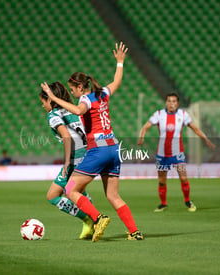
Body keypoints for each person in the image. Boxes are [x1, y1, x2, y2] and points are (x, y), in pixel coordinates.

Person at [41, 42, 143, 242]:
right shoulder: (102, 93)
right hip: (114, 148)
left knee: (70, 189)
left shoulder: (86, 100)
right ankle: (134, 232)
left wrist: (53, 97)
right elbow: (117, 82)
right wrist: (120, 63)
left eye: (72, 90)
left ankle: (98, 218)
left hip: (98, 151)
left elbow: (79, 111)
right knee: (113, 196)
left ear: (80, 87)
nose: (72, 93)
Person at [138, 92, 216, 212]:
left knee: (183, 178)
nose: (171, 104)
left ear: (178, 103)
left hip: (177, 153)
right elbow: (145, 127)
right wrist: (142, 136)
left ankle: (188, 201)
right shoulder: (159, 115)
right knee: (161, 180)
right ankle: (163, 204)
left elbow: (195, 128)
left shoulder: (183, 115)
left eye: (174, 101)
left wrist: (205, 139)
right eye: (169, 101)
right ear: (166, 102)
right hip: (162, 154)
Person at [39, 81, 94, 239]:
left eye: (43, 102)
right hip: (87, 154)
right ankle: (91, 219)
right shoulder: (73, 110)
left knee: (53, 195)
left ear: (49, 100)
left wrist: (67, 162)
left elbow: (66, 136)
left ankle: (89, 218)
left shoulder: (53, 115)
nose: (43, 106)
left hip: (75, 158)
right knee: (78, 191)